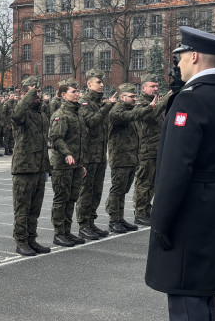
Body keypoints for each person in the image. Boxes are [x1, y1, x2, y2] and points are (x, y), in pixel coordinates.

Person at [145, 27, 215, 321]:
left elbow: (175, 168)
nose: (178, 64)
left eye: (181, 56)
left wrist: (161, 219)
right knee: (201, 291)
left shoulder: (191, 100)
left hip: (187, 204)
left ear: (195, 56)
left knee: (185, 293)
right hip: (209, 196)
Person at [105, 83, 157, 233]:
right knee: (117, 190)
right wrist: (149, 107)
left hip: (131, 158)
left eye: (135, 96)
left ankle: (120, 219)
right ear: (122, 97)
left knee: (123, 191)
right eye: (131, 96)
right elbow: (128, 116)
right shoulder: (116, 111)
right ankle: (113, 220)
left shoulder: (130, 109)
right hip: (120, 157)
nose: (135, 99)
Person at [10, 77, 51, 256]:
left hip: (39, 167)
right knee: (22, 208)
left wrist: (47, 167)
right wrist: (28, 96)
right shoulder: (22, 112)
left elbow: (43, 143)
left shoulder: (41, 115)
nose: (37, 94)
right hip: (24, 167)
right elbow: (17, 115)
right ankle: (21, 241)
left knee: (35, 208)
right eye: (33, 91)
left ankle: (31, 239)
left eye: (38, 91)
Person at [76, 69, 116, 240]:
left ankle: (91, 222)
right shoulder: (84, 102)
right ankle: (83, 225)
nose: (101, 85)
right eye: (98, 82)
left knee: (96, 191)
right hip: (88, 155)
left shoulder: (100, 103)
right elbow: (91, 122)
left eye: (102, 82)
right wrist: (107, 106)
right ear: (89, 84)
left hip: (100, 154)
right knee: (86, 191)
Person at [48, 79, 88, 247]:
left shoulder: (77, 113)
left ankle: (67, 231)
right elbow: (56, 139)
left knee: (72, 198)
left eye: (77, 92)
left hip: (76, 164)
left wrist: (82, 163)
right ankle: (59, 233)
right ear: (63, 95)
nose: (77, 94)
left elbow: (81, 141)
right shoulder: (61, 114)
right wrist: (67, 154)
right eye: (73, 92)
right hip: (62, 164)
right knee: (61, 198)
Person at [133, 75, 170, 226]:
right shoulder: (141, 104)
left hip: (157, 149)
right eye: (152, 86)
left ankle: (147, 210)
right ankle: (140, 212)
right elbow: (150, 115)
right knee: (143, 182)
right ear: (143, 88)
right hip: (146, 150)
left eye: (156, 86)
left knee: (153, 183)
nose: (155, 89)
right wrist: (167, 98)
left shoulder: (156, 102)